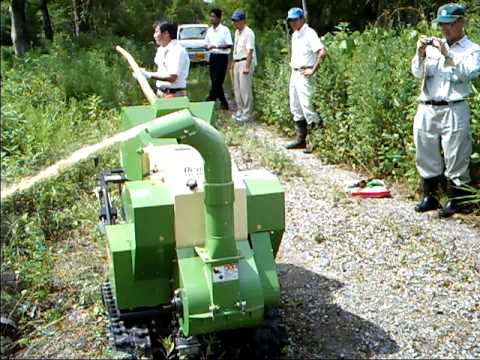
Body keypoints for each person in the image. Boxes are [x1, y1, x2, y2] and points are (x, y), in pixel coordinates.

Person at [411, 3, 480, 217]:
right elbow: (416, 72)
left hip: (454, 106)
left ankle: (458, 200)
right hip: (427, 105)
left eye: (449, 25)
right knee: (425, 150)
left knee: (456, 153)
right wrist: (421, 53)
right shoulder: (432, 47)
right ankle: (429, 196)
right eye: (442, 25)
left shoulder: (472, 49)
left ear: (461, 23)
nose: (445, 30)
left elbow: (468, 74)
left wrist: (447, 55)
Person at [285, 7, 327, 152]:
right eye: (291, 20)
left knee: (308, 107)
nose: (293, 23)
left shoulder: (309, 33)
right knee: (295, 106)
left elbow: (322, 52)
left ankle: (316, 141)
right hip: (295, 72)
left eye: (295, 20)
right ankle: (301, 139)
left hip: (305, 73)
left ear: (302, 19)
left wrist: (313, 70)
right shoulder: (295, 35)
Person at [141, 21, 190, 98]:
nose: (154, 36)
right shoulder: (162, 49)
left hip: (173, 94)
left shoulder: (177, 50)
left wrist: (148, 75)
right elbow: (162, 72)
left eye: (157, 32)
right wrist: (142, 72)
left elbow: (172, 77)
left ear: (166, 34)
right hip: (161, 93)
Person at [231, 9, 256, 122]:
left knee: (245, 89)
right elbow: (236, 48)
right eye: (234, 21)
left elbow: (250, 51)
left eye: (237, 21)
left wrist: (247, 66)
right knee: (237, 88)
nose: (235, 23)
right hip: (237, 61)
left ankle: (247, 113)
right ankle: (240, 110)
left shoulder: (248, 32)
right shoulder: (237, 32)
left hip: (245, 61)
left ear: (243, 21)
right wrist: (232, 63)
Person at [205, 8, 233, 110]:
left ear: (219, 18)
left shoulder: (225, 30)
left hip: (222, 57)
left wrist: (216, 46)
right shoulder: (209, 31)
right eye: (210, 16)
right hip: (212, 57)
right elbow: (206, 43)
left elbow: (229, 44)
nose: (211, 19)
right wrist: (208, 47)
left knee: (218, 80)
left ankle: (210, 100)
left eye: (213, 16)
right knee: (214, 81)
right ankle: (223, 103)